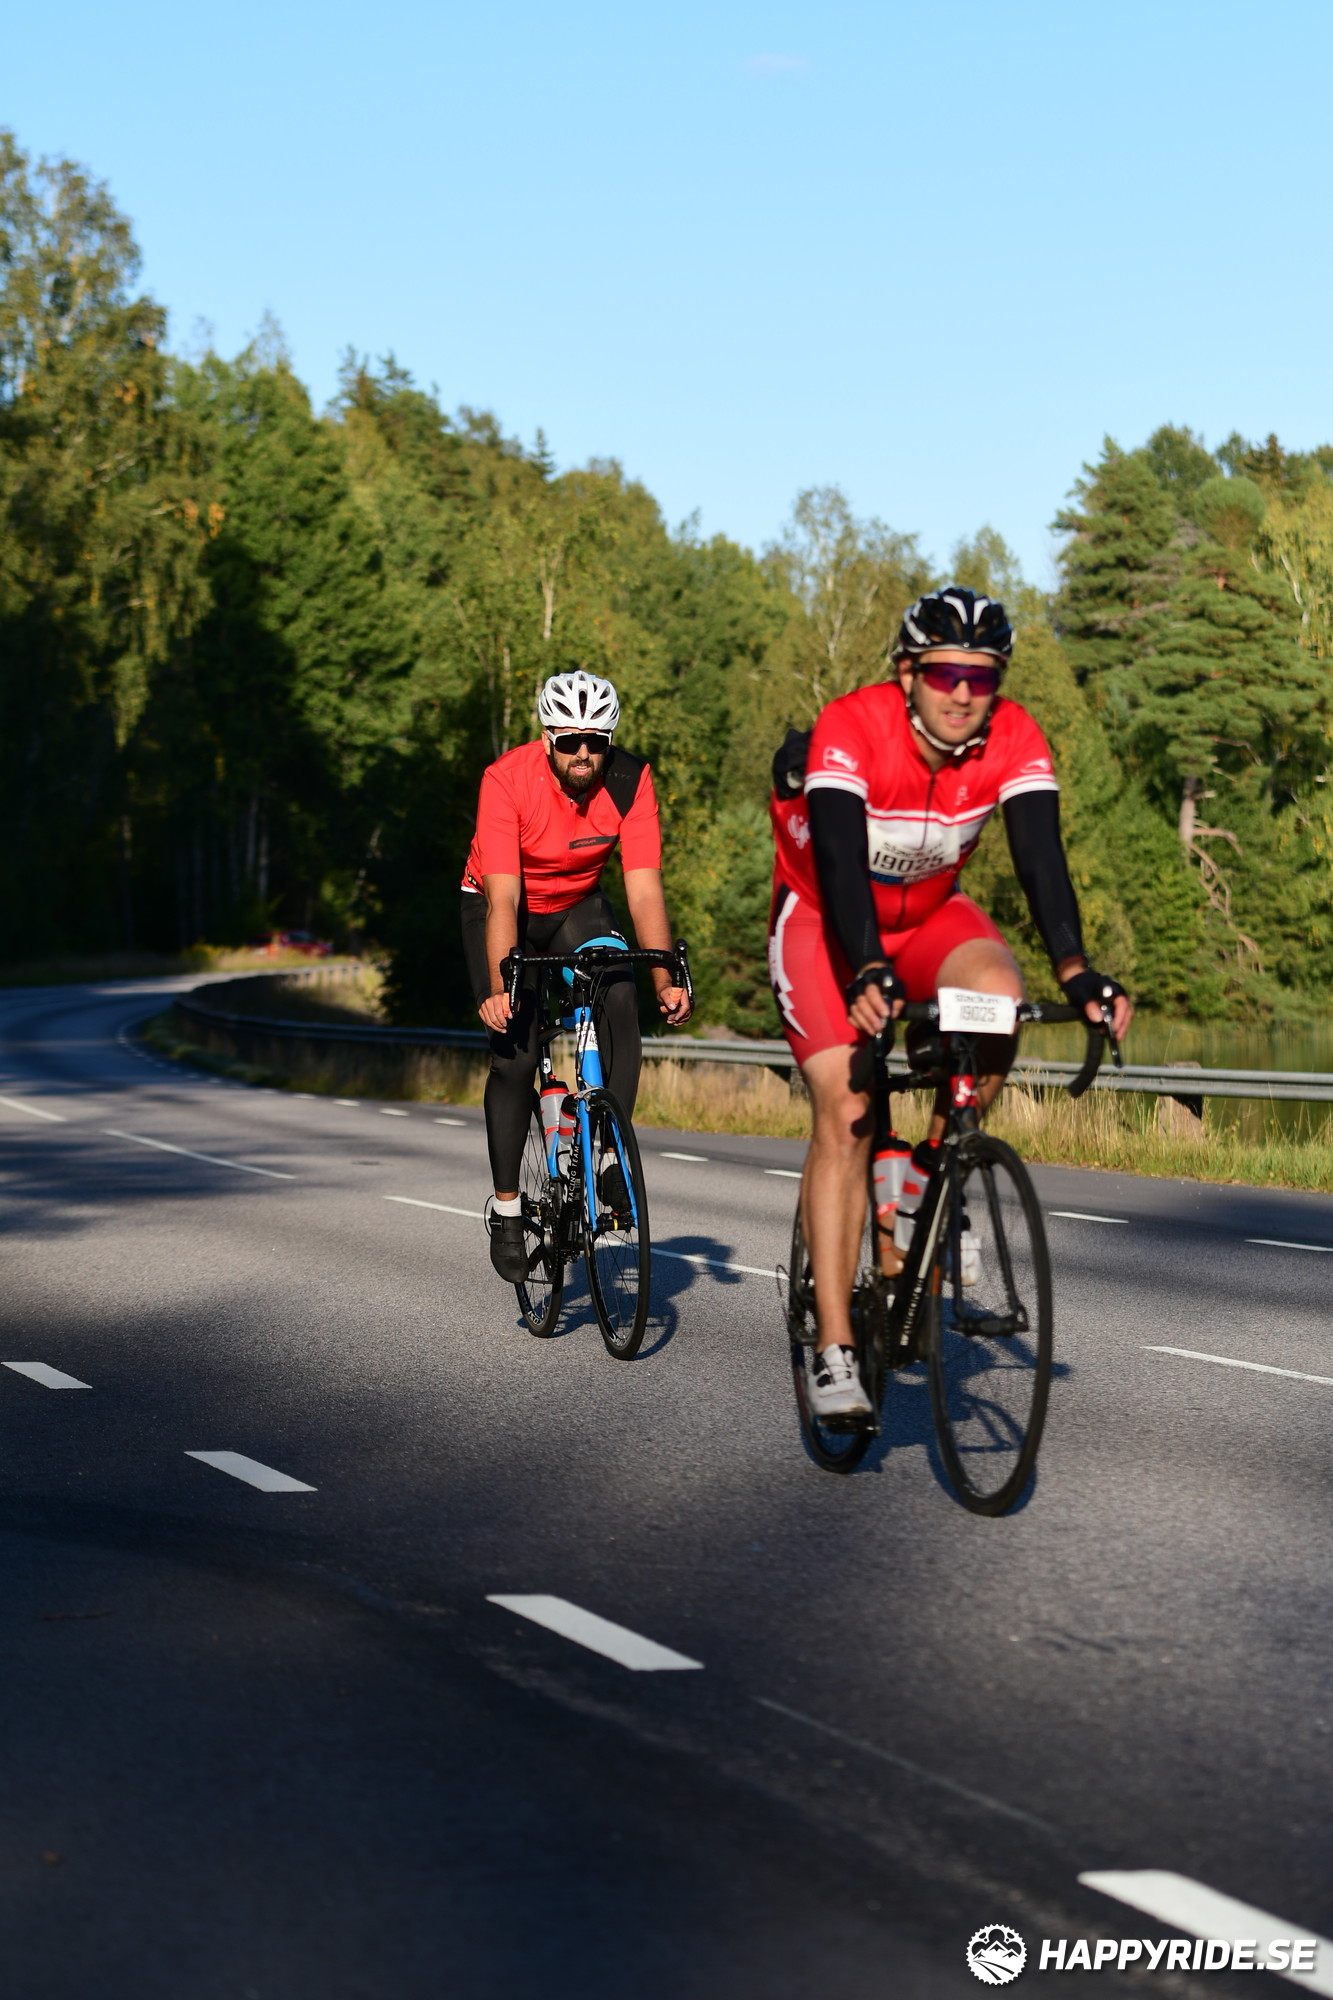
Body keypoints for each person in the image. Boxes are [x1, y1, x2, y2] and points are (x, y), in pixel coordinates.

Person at [769, 587, 1132, 1420]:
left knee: (1001, 998)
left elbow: (1041, 858)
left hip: (932, 917)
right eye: (944, 673)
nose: (964, 692)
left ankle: (925, 1176)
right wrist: (865, 967)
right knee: (848, 1111)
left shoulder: (1013, 735)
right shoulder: (852, 724)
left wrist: (1077, 972)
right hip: (826, 923)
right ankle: (834, 1350)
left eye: (983, 675)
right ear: (907, 673)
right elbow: (837, 860)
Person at [461, 669, 692, 1281]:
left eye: (596, 741)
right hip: (502, 906)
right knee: (514, 1057)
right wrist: (499, 988)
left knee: (619, 995)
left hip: (576, 906)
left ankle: (609, 1154)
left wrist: (664, 978)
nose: (584, 753)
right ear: (548, 739)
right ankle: (508, 1209)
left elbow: (644, 891)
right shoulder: (506, 780)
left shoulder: (631, 780)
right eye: (570, 741)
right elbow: (504, 898)